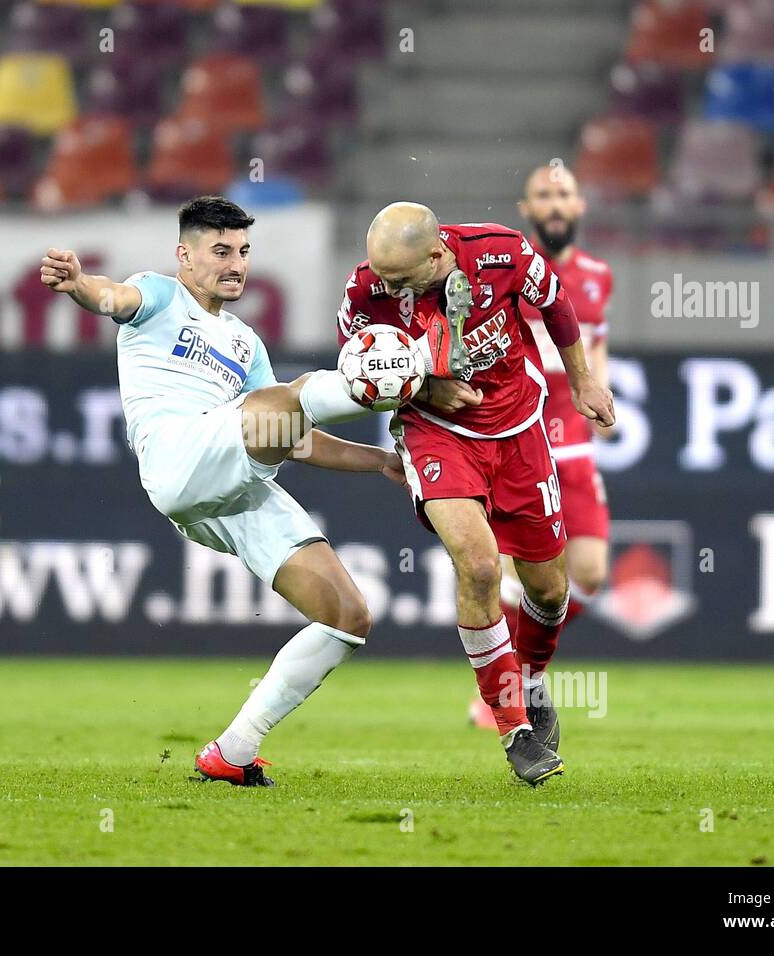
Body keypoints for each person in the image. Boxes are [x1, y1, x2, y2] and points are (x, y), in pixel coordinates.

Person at [40, 195, 414, 787]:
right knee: (280, 401)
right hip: (177, 458)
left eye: (242, 252)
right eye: (220, 251)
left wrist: (380, 461)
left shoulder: (246, 343)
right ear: (184, 256)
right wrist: (79, 283)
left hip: (233, 482)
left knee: (347, 615)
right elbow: (111, 297)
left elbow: (289, 434)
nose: (235, 263)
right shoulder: (160, 295)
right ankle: (386, 380)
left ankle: (233, 751)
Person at [337, 202, 615, 783]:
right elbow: (361, 370)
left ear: (437, 254)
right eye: (382, 277)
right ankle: (513, 725)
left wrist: (584, 378)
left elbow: (557, 304)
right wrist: (421, 392)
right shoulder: (366, 289)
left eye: (403, 280)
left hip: (518, 430)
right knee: (481, 566)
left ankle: (531, 680)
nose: (390, 290)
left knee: (550, 587)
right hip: (437, 435)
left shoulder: (501, 251)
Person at [469, 163, 615, 727]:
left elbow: (596, 344)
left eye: (564, 195)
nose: (555, 205)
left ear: (579, 206)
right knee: (509, 575)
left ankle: (522, 673)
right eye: (543, 197)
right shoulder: (503, 271)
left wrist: (599, 388)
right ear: (525, 209)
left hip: (573, 442)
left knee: (591, 573)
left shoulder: (599, 275)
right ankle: (503, 695)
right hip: (517, 436)